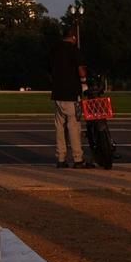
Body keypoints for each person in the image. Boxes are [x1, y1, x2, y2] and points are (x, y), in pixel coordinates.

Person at [50, 27, 92, 168]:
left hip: (57, 93)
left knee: (59, 127)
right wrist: (85, 78)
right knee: (74, 126)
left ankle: (61, 158)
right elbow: (81, 71)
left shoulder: (55, 50)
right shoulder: (74, 50)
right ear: (74, 37)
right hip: (71, 93)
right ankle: (77, 158)